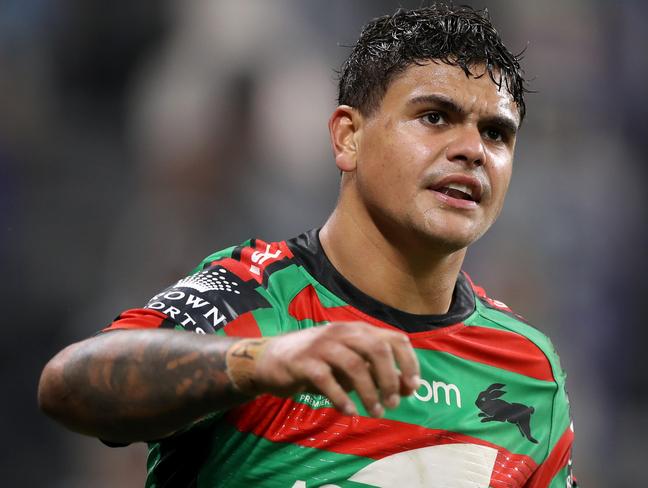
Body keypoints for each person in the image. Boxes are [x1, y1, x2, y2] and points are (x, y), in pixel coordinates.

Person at [38, 5, 578, 487]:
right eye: (434, 117)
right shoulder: (257, 298)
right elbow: (69, 385)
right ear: (348, 137)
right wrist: (261, 363)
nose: (471, 150)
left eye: (496, 134)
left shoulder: (529, 371)